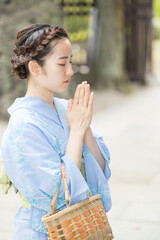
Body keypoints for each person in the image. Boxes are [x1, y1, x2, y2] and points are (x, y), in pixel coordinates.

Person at [1, 23, 112, 240]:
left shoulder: (65, 108)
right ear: (34, 68)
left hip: (81, 227)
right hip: (44, 232)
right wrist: (77, 131)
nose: (70, 71)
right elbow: (59, 194)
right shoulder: (22, 125)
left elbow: (100, 170)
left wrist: (85, 128)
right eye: (62, 63)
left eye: (70, 61)